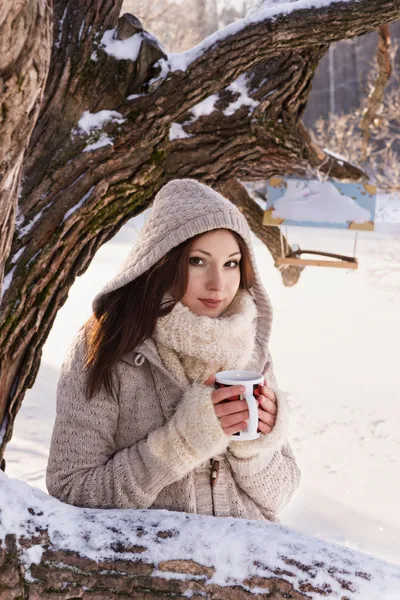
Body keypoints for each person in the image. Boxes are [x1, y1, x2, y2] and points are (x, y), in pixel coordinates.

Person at [46, 178, 300, 522]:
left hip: (247, 565)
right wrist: (180, 443)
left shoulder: (249, 346)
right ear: (161, 261)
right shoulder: (106, 348)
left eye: (231, 263)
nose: (218, 284)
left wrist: (254, 448)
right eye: (198, 261)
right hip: (150, 569)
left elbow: (280, 495)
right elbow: (71, 489)